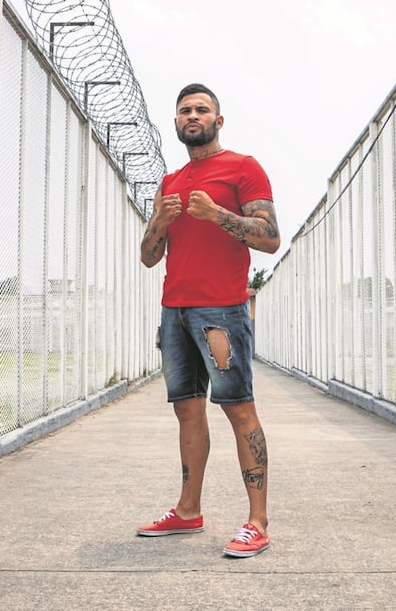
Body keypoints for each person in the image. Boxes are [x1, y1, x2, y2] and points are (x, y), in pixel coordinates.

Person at [137, 83, 280, 558]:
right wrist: (160, 220)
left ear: (218, 121)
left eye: (201, 110)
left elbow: (269, 238)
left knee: (238, 409)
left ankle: (257, 521)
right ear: (176, 123)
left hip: (221, 312)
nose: (192, 116)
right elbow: (148, 257)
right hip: (174, 310)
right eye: (184, 111)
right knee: (187, 410)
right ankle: (188, 511)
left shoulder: (243, 167)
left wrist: (217, 213)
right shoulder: (169, 181)